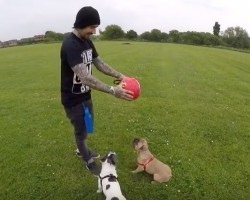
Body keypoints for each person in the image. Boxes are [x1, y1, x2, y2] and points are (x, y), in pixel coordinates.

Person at [60, 6, 133, 176]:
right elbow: (85, 77)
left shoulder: (87, 41)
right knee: (80, 130)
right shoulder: (70, 45)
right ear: (81, 24)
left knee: (87, 126)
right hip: (72, 99)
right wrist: (113, 90)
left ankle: (81, 149)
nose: (94, 31)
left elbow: (99, 63)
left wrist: (121, 76)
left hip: (85, 95)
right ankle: (88, 160)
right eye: (92, 27)